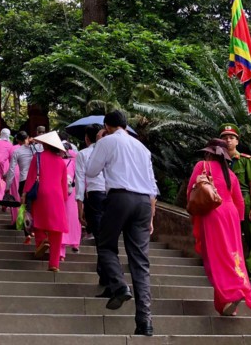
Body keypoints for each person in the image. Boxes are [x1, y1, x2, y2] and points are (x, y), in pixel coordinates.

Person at [85, 110, 158, 336]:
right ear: (126, 125)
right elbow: (152, 185)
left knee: (106, 245)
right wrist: (152, 216)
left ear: (107, 126)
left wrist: (100, 147)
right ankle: (145, 322)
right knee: (140, 263)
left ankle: (119, 285)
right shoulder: (142, 148)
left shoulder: (107, 141)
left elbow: (91, 170)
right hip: (144, 203)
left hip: (119, 198)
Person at [187, 138, 251, 316]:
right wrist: (237, 224)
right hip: (231, 215)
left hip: (213, 214)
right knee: (233, 256)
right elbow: (239, 201)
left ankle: (231, 294)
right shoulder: (230, 174)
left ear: (209, 152)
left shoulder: (202, 165)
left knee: (216, 258)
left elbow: (191, 193)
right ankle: (227, 304)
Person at [220, 123, 251, 291]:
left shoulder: (245, 160)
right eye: (224, 138)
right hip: (225, 206)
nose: (228, 141)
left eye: (231, 138)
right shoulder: (218, 161)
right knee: (229, 240)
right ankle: (233, 274)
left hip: (244, 203)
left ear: (237, 141)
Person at [23, 131, 68, 272]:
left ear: (46, 145)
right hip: (58, 195)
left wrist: (24, 194)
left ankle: (41, 241)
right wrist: (64, 198)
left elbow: (30, 178)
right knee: (56, 230)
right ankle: (54, 264)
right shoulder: (62, 162)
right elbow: (64, 187)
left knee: (39, 221)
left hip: (41, 193)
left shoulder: (37, 157)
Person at [5, 131, 41, 243]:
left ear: (18, 141)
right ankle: (36, 230)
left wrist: (8, 186)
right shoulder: (37, 149)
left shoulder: (17, 151)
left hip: (24, 181)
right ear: (28, 137)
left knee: (26, 207)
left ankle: (28, 233)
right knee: (37, 206)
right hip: (37, 181)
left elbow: (11, 170)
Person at [75, 123, 105, 245]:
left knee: (98, 232)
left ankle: (104, 261)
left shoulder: (83, 154)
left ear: (87, 138)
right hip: (113, 194)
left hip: (94, 195)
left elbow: (80, 181)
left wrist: (79, 207)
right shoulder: (110, 151)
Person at [60, 142, 81, 259]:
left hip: (59, 192)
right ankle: (75, 243)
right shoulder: (73, 162)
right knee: (73, 218)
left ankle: (61, 253)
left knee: (61, 218)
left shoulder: (57, 162)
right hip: (72, 192)